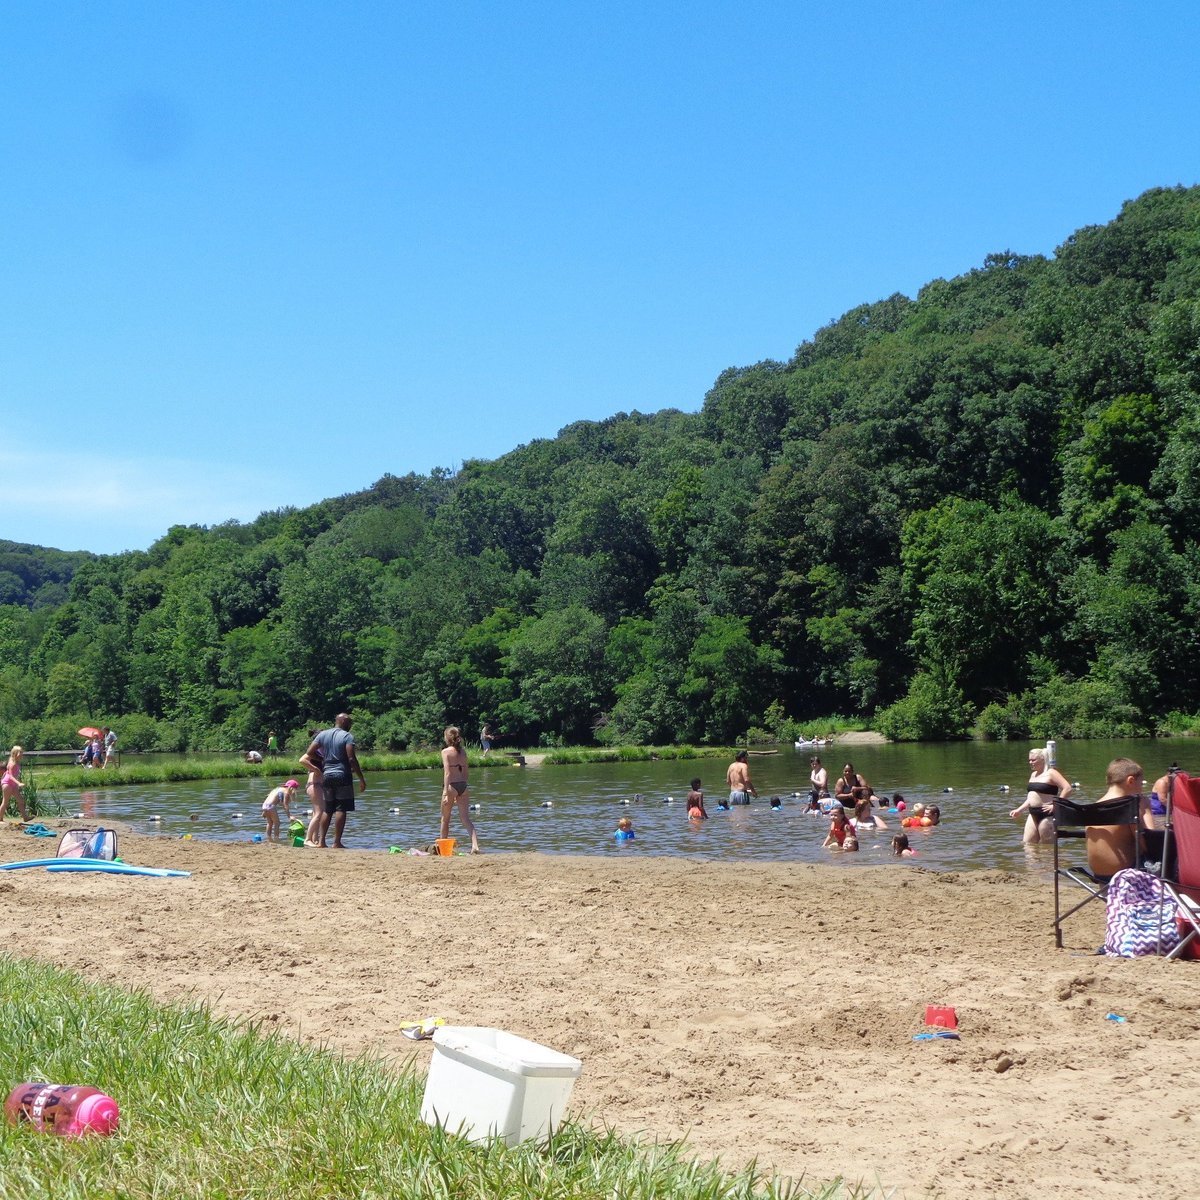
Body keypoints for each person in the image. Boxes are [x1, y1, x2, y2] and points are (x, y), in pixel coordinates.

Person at [302, 714, 366, 849]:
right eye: (349, 722)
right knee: (341, 809)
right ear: (342, 721)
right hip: (342, 774)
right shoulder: (347, 736)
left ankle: (321, 842)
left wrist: (323, 760)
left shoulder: (323, 735)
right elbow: (351, 759)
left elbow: (309, 752)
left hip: (327, 775)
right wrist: (361, 778)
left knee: (327, 809)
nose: (350, 725)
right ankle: (336, 842)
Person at [1088, 757, 1156, 878]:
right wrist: (1146, 809)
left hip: (1099, 874)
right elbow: (1149, 845)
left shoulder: (1093, 807)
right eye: (1141, 783)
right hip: (1124, 874)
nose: (1141, 788)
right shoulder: (1128, 807)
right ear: (1131, 781)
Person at [1009, 747, 1072, 844]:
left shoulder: (1051, 773)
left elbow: (1067, 788)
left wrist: (1055, 805)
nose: (1030, 762)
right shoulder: (1033, 775)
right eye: (1029, 760)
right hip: (1033, 813)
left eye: (1033, 760)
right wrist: (1019, 810)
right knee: (1028, 844)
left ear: (1042, 759)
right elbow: (1031, 798)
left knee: (1047, 848)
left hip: (1047, 814)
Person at [441, 726, 481, 853]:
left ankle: (443, 846)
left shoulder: (445, 752)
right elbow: (466, 773)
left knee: (445, 818)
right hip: (463, 786)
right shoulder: (463, 752)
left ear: (447, 738)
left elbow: (447, 773)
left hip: (451, 786)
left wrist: (447, 793)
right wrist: (462, 785)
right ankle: (475, 845)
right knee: (465, 819)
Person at [299, 728, 324, 846]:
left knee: (316, 813)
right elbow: (302, 760)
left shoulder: (319, 752)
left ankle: (315, 839)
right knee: (319, 812)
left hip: (316, 784)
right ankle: (308, 839)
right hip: (315, 784)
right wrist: (316, 770)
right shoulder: (315, 751)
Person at [1, 746, 28, 822]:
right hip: (7, 784)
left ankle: (25, 817)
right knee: (5, 802)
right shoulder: (12, 763)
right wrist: (18, 783)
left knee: (21, 800)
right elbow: (10, 775)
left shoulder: (14, 761)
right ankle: (0, 819)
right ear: (15, 754)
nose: (21, 755)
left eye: (22, 753)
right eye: (20, 753)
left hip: (13, 784)